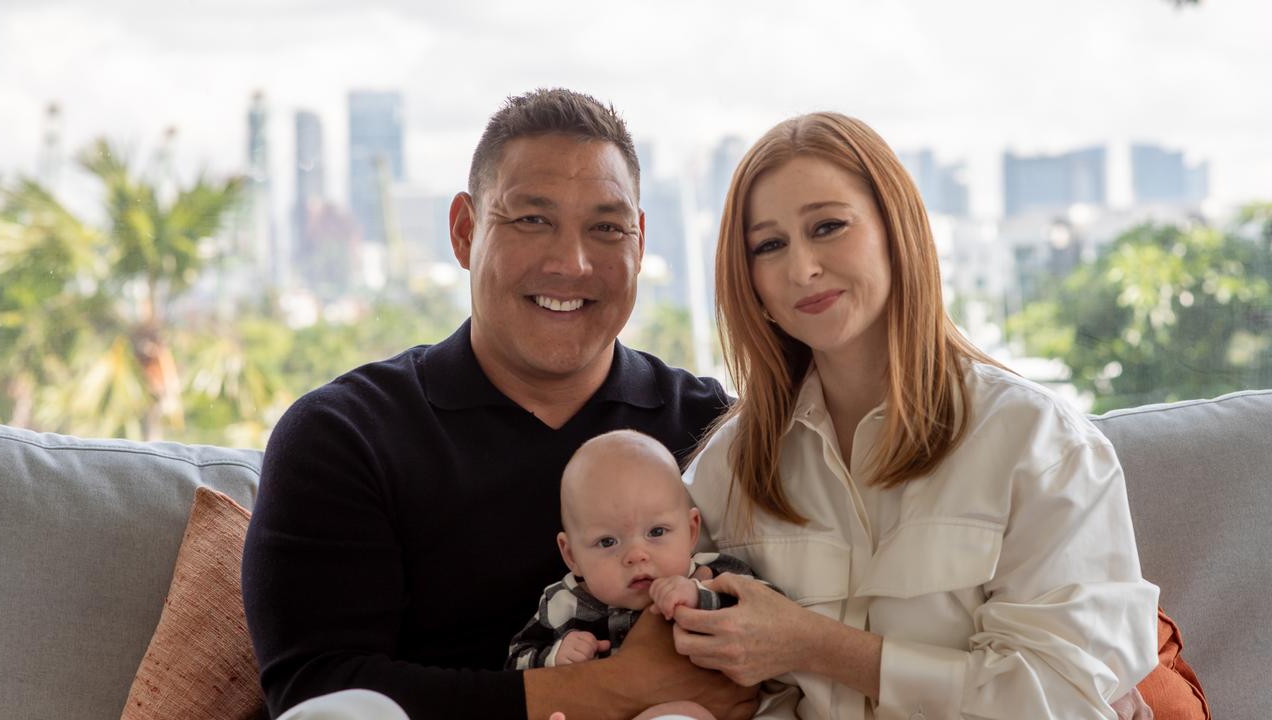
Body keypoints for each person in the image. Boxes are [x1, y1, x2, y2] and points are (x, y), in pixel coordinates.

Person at [241, 89, 756, 720]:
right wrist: (620, 687)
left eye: (606, 227)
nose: (571, 262)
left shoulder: (713, 430)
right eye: (532, 220)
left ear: (640, 242)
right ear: (464, 231)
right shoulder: (344, 435)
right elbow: (318, 694)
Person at [675, 112, 1161, 719]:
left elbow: (1064, 699)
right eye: (769, 245)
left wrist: (813, 646)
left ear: (895, 230)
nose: (801, 269)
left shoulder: (1038, 443)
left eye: (828, 226)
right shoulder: (730, 465)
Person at [506, 429, 764, 675]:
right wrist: (554, 657)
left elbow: (765, 612)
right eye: (607, 542)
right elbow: (515, 664)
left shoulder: (713, 577)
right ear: (572, 556)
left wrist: (701, 597)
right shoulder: (561, 604)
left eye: (656, 532)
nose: (637, 555)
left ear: (691, 531)